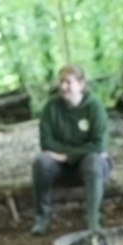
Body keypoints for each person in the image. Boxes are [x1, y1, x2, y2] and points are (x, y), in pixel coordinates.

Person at [30, 64, 112, 235]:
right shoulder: (51, 108)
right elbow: (46, 143)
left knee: (94, 160)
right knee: (41, 162)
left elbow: (98, 145)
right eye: (61, 82)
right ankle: (42, 217)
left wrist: (67, 156)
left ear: (81, 84)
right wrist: (78, 152)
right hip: (61, 167)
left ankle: (92, 219)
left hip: (88, 165)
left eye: (68, 82)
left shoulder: (94, 107)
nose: (63, 87)